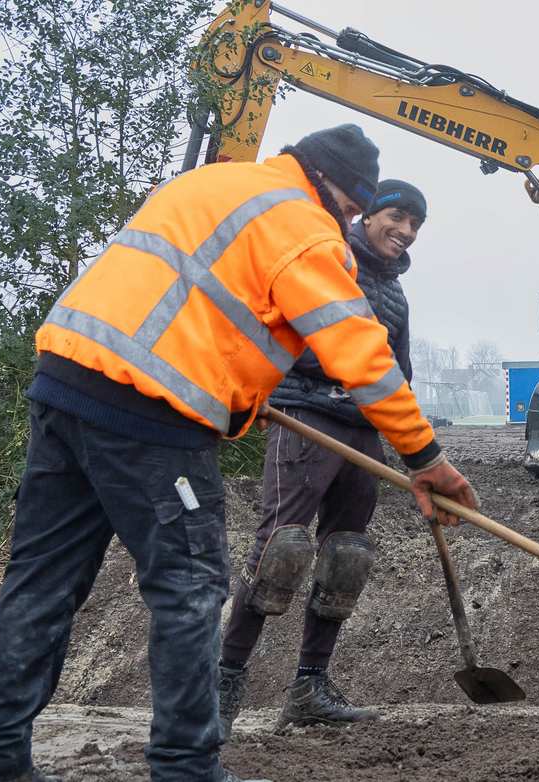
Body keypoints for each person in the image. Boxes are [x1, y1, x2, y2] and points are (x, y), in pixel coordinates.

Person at [0, 124, 478, 782]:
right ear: (333, 190)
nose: (348, 223)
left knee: (42, 581)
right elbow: (363, 357)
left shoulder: (214, 184)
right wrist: (425, 457)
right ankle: (187, 768)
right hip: (150, 411)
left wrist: (235, 383)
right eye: (353, 209)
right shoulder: (303, 226)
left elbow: (190, 299)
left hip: (65, 384)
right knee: (191, 587)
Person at [217, 179, 427, 738]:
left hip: (362, 431)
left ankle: (309, 688)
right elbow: (283, 328)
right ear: (369, 216)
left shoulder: (396, 293)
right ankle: (222, 686)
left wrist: (420, 457)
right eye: (398, 217)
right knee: (280, 552)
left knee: (346, 558)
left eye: (415, 225)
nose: (405, 232)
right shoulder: (331, 259)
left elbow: (396, 375)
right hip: (304, 419)